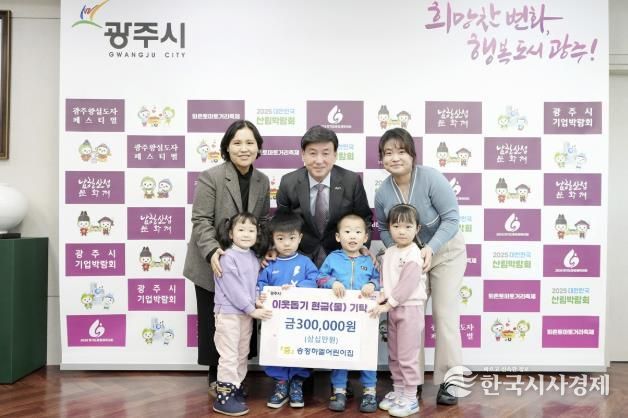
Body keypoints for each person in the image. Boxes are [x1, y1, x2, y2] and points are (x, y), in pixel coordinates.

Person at [374, 128, 467, 406]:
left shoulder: (430, 178)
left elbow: (452, 219)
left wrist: (430, 248)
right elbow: (383, 229)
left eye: (401, 151)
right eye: (388, 153)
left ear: (412, 155)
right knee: (409, 320)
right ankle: (410, 383)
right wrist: (400, 253)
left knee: (444, 315)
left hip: (444, 252)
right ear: (381, 159)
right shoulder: (383, 192)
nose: (395, 157)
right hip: (411, 260)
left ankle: (450, 381)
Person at [183, 120, 270, 396]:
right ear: (227, 147)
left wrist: (262, 251)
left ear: (258, 147)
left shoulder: (262, 180)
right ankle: (216, 376)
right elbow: (201, 219)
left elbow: (262, 222)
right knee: (217, 321)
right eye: (237, 143)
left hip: (245, 264)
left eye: (250, 143)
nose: (244, 148)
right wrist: (212, 251)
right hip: (213, 262)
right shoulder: (212, 177)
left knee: (243, 319)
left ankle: (237, 375)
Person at [275, 125, 372, 268]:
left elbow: (365, 219)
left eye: (325, 153)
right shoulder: (288, 182)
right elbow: (281, 222)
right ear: (303, 154)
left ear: (335, 155)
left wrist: (362, 246)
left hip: (342, 255)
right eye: (313, 153)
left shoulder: (351, 181)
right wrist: (275, 248)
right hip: (300, 256)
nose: (319, 160)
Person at [316, 213, 380, 413]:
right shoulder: (332, 258)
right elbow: (320, 278)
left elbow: (379, 280)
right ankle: (339, 390)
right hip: (340, 319)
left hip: (365, 319)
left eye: (358, 232)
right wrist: (332, 283)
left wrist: (372, 284)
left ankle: (369, 391)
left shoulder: (369, 260)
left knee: (367, 353)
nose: (352, 236)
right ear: (338, 237)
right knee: (340, 353)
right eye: (347, 231)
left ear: (365, 237)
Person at [369, 204, 428, 417]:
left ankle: (411, 398)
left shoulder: (414, 253)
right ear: (388, 228)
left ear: (417, 229)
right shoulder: (390, 252)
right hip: (393, 309)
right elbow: (386, 280)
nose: (401, 231)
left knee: (407, 356)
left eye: (407, 226)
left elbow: (407, 284)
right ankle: (399, 391)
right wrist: (382, 296)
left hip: (410, 309)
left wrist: (389, 303)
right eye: (396, 226)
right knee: (394, 354)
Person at [212, 212, 272, 416]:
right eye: (241, 229)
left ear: (257, 234)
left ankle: (235, 387)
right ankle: (224, 397)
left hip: (246, 314)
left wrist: (257, 299)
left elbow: (253, 284)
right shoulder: (227, 257)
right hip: (229, 314)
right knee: (229, 355)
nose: (246, 234)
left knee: (242, 353)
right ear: (231, 233)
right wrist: (251, 309)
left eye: (251, 230)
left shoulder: (253, 257)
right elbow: (234, 289)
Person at [257, 212, 318, 409]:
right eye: (280, 239)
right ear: (272, 239)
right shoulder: (269, 263)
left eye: (292, 238)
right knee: (276, 347)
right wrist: (261, 295)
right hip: (275, 321)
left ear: (300, 238)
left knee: (300, 348)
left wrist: (298, 288)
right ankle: (281, 384)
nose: (287, 244)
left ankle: (297, 383)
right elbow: (260, 284)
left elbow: (315, 280)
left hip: (300, 320)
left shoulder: (305, 262)